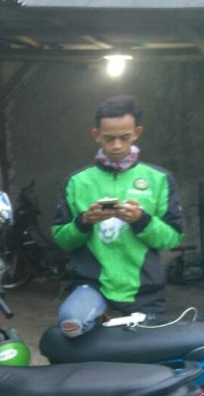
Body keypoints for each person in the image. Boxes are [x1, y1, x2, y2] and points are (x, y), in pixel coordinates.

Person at [52, 95, 183, 337]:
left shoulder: (159, 179)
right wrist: (84, 222)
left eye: (125, 137)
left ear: (137, 133)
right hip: (92, 285)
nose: (116, 146)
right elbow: (61, 239)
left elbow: (172, 238)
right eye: (108, 138)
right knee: (71, 326)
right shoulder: (77, 181)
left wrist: (141, 220)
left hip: (143, 288)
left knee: (146, 353)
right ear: (96, 135)